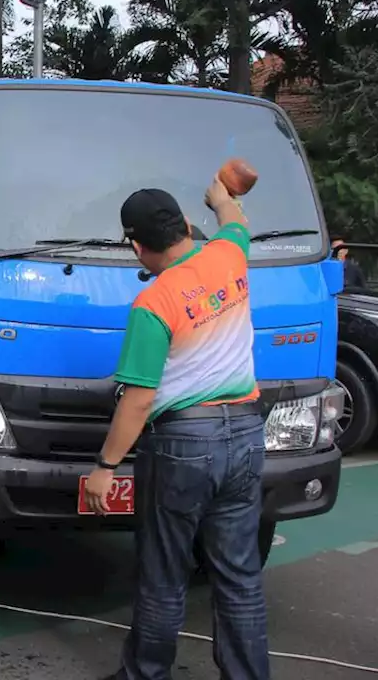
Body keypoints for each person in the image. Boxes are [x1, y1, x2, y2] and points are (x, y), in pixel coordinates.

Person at [85, 181, 267, 679]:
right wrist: (223, 192)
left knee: (164, 576)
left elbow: (139, 399)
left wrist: (106, 467)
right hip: (248, 436)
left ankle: (144, 675)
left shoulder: (154, 302)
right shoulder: (230, 255)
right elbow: (236, 220)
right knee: (240, 578)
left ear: (137, 247)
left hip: (185, 445)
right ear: (186, 227)